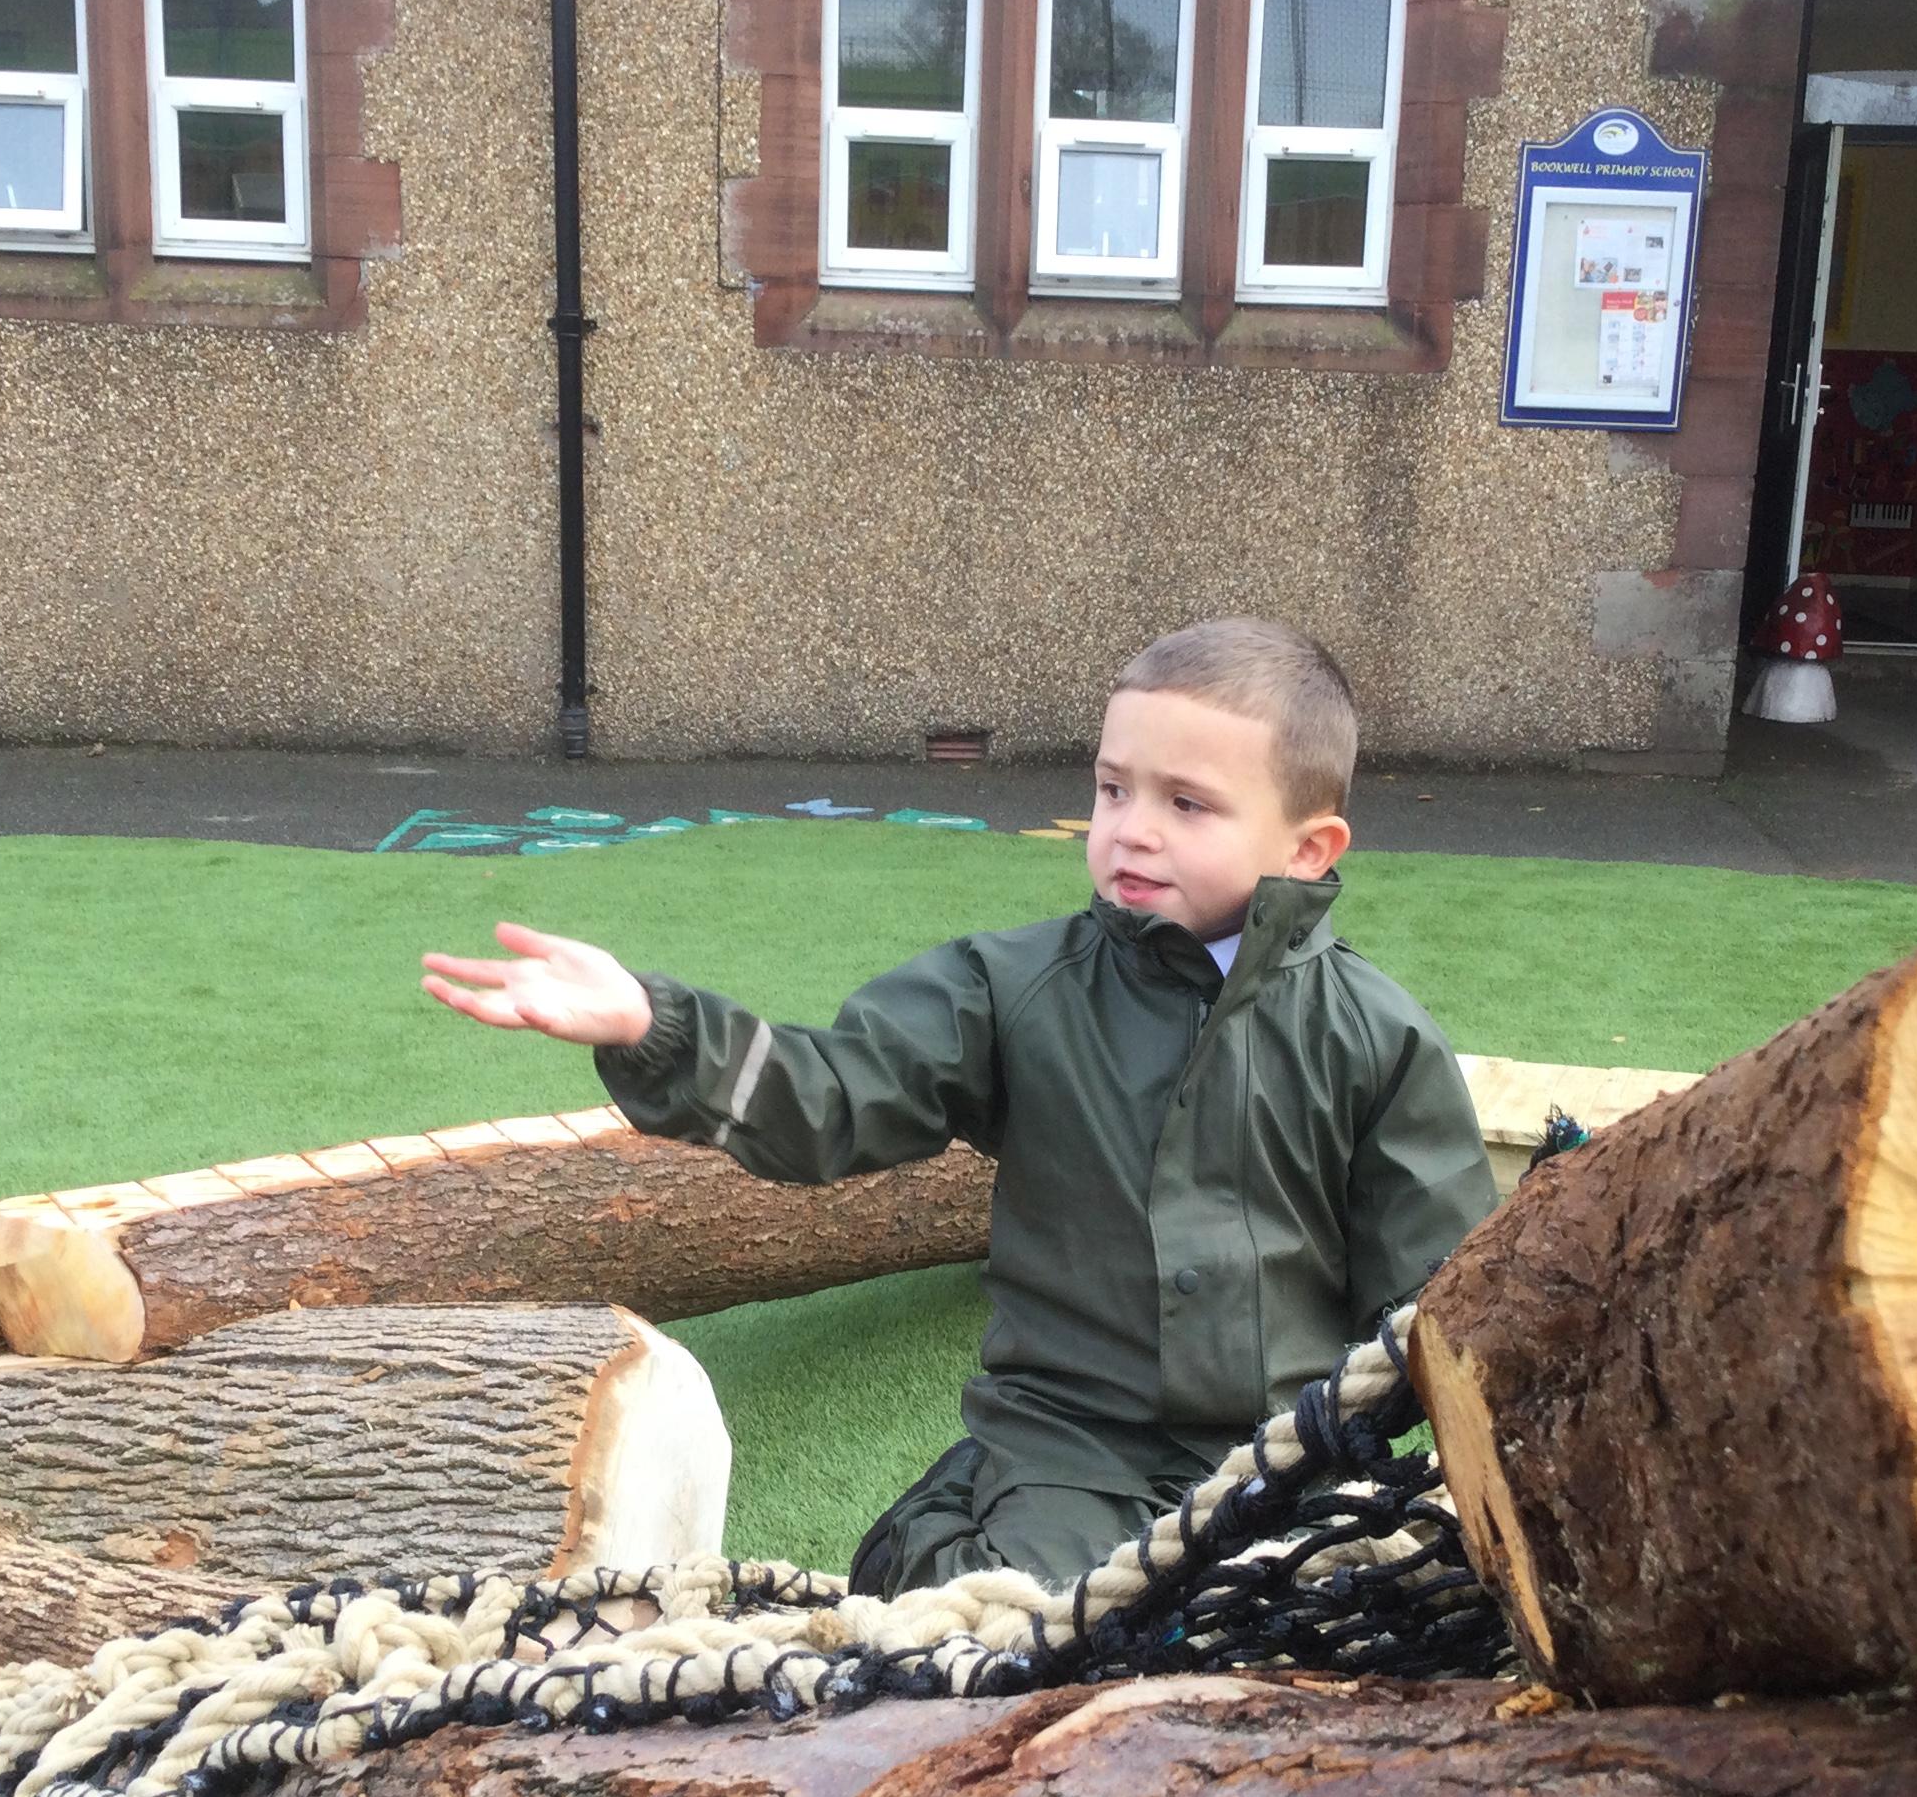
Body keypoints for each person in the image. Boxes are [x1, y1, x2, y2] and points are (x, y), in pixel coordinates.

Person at [420, 618, 1496, 1593]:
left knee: (1330, 1631)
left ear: (1308, 848)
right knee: (1024, 1633)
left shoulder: (1374, 1035)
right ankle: (941, 1532)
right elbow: (833, 1091)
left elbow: (1439, 1302)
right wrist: (654, 1028)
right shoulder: (1014, 988)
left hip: (1287, 1456)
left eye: (1187, 804)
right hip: (1071, 1449)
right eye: (1113, 789)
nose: (1131, 830)